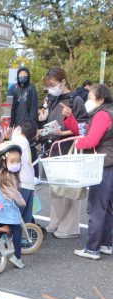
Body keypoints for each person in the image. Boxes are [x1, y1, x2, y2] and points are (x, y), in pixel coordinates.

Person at [62, 84, 113, 259]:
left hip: (103, 165)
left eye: (90, 97)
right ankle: (106, 244)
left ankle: (92, 248)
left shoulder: (102, 115)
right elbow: (83, 131)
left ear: (101, 99)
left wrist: (78, 144)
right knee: (107, 208)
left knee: (97, 208)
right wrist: (70, 119)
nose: (87, 100)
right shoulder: (106, 113)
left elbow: (90, 140)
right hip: (108, 164)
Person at [41, 67, 89, 239]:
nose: (50, 88)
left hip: (69, 148)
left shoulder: (75, 99)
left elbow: (84, 127)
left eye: (52, 84)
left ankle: (69, 227)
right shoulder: (54, 98)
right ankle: (55, 222)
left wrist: (64, 133)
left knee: (69, 188)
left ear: (63, 82)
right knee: (56, 187)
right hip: (54, 148)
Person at [0, 142, 27, 269]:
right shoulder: (9, 177)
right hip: (9, 211)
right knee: (17, 232)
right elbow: (15, 195)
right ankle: (17, 257)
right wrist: (23, 203)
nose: (16, 163)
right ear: (3, 161)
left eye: (18, 161)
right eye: (12, 161)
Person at [11, 121, 37, 225]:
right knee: (27, 215)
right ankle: (27, 237)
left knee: (17, 215)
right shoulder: (24, 141)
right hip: (29, 181)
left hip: (21, 182)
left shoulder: (17, 141)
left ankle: (15, 238)